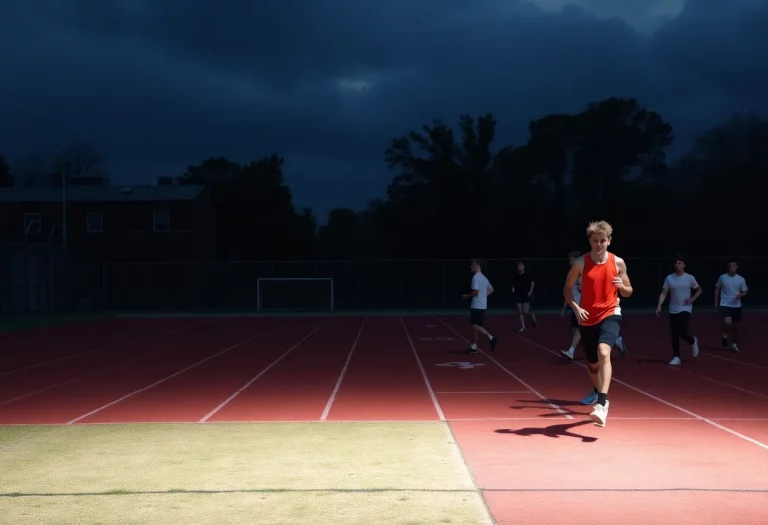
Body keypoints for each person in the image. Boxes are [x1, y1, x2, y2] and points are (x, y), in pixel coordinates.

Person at [563, 221, 632, 427]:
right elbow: (567, 289)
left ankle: (602, 404)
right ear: (590, 241)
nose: (599, 244)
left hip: (610, 313)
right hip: (586, 317)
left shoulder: (618, 263)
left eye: (603, 241)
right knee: (592, 365)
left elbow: (628, 291)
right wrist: (575, 307)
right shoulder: (580, 263)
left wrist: (622, 287)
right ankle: (596, 391)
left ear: (609, 241)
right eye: (595, 241)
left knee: (604, 352)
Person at [561, 251, 627, 361]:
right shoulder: (571, 274)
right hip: (576, 308)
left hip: (586, 308)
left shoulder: (587, 272)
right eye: (570, 260)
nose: (570, 262)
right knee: (577, 331)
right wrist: (564, 308)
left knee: (579, 332)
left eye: (572, 260)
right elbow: (568, 292)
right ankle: (615, 340)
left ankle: (571, 351)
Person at [655, 255, 701, 366]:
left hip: (685, 308)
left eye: (680, 263)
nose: (678, 265)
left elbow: (699, 290)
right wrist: (659, 305)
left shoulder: (689, 278)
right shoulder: (669, 278)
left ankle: (692, 341)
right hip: (673, 309)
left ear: (684, 265)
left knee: (681, 330)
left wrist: (692, 299)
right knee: (674, 333)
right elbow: (664, 292)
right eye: (676, 263)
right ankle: (676, 357)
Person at [461, 258, 499, 354]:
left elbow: (475, 292)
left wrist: (467, 296)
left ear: (477, 265)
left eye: (472, 265)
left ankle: (491, 337)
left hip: (477, 305)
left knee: (474, 325)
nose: (471, 267)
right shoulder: (483, 277)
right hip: (482, 305)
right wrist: (483, 296)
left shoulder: (476, 277)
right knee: (476, 326)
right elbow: (491, 289)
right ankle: (474, 345)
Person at [715, 261, 748, 352]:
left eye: (734, 266)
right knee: (728, 322)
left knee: (736, 327)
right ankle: (725, 334)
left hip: (736, 305)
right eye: (730, 266)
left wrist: (740, 295)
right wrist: (716, 301)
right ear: (728, 267)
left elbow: (744, 291)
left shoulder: (741, 279)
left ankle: (734, 344)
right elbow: (717, 289)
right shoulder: (722, 277)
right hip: (725, 304)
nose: (732, 267)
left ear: (737, 267)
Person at [511, 261, 537, 331]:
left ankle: (532, 315)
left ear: (524, 267)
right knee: (520, 312)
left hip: (525, 295)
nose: (520, 267)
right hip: (517, 295)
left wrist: (530, 291)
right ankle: (523, 326)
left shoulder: (528, 276)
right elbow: (513, 285)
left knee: (525, 312)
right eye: (518, 266)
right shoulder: (515, 277)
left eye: (521, 265)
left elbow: (532, 283)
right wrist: (513, 289)